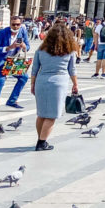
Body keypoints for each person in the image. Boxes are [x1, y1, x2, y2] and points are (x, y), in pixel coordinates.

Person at [30, 23, 79, 151]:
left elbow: (34, 69)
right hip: (58, 83)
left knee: (41, 114)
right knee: (52, 115)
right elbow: (72, 70)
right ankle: (42, 142)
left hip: (41, 81)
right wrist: (75, 84)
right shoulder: (69, 51)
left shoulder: (41, 50)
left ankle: (40, 139)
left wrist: (32, 84)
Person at [0, 16, 31, 112]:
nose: (15, 26)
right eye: (13, 24)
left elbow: (28, 46)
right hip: (0, 61)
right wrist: (9, 47)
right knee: (1, 81)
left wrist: (24, 46)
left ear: (20, 24)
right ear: (10, 24)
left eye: (18, 24)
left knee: (24, 77)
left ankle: (12, 100)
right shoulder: (2, 33)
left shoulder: (22, 31)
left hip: (12, 61)